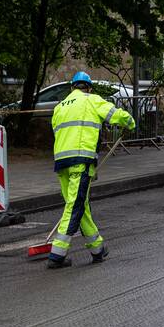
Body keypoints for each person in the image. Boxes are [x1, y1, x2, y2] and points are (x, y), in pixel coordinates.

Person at [47, 71, 135, 270]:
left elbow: (56, 132)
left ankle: (97, 248)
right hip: (81, 161)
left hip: (61, 162)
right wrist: (130, 122)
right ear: (88, 88)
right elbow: (116, 115)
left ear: (72, 88)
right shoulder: (91, 100)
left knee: (80, 205)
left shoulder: (59, 107)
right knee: (74, 206)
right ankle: (57, 254)